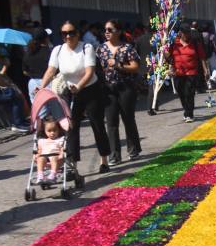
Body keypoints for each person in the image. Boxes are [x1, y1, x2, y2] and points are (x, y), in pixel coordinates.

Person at [40, 20, 110, 172]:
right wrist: (41, 87)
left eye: (72, 32)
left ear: (78, 34)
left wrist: (79, 86)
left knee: (97, 124)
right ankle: (73, 164)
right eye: (64, 33)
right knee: (71, 127)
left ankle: (104, 159)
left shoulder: (86, 47)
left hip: (90, 89)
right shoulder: (58, 50)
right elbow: (51, 71)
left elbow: (89, 71)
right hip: (71, 92)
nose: (68, 36)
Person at [98, 18, 143, 163]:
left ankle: (133, 148)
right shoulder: (101, 49)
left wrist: (118, 65)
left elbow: (135, 67)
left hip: (126, 87)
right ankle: (114, 155)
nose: (107, 32)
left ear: (118, 31)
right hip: (108, 89)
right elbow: (97, 68)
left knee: (128, 118)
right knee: (111, 122)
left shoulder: (127, 48)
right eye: (105, 30)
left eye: (110, 30)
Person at [168, 24, 208, 123]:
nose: (188, 35)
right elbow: (168, 57)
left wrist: (205, 70)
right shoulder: (174, 43)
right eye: (186, 33)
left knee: (189, 93)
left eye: (189, 33)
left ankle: (189, 114)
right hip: (178, 73)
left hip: (192, 73)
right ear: (181, 33)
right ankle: (187, 111)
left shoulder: (194, 43)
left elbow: (202, 57)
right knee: (181, 94)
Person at [23, 27, 52, 100]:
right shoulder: (50, 53)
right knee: (55, 109)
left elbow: (25, 71)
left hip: (33, 83)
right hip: (49, 83)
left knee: (38, 110)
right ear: (46, 39)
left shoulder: (28, 53)